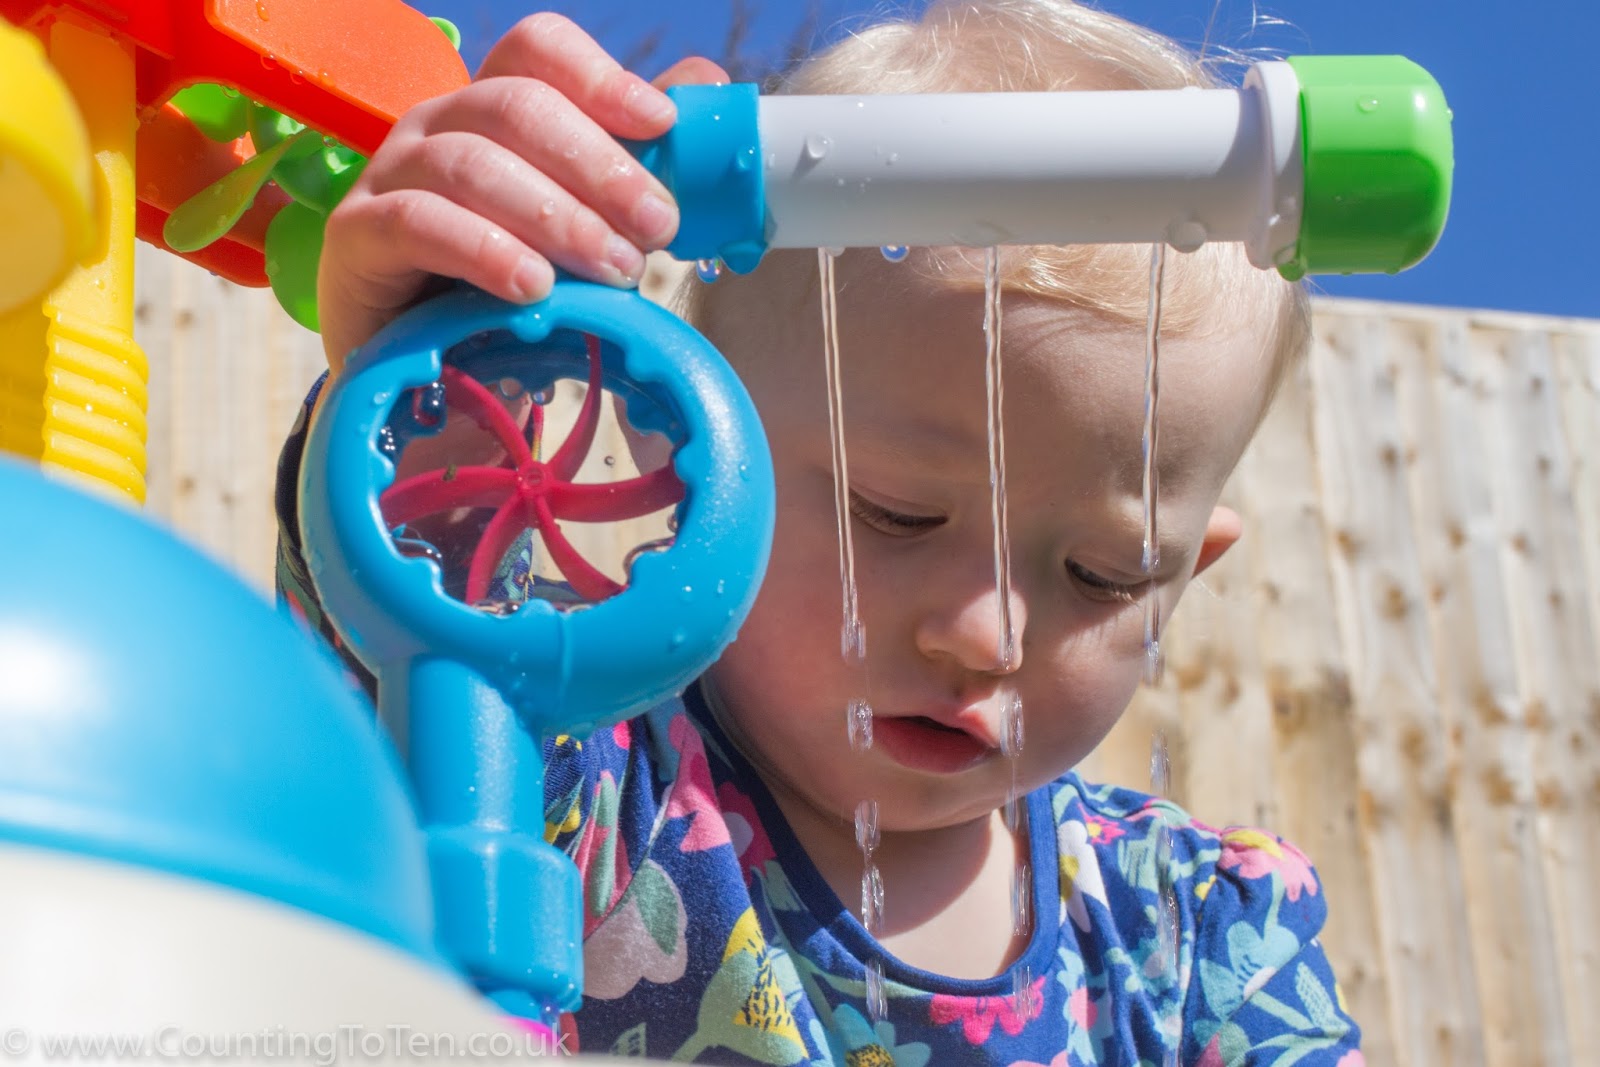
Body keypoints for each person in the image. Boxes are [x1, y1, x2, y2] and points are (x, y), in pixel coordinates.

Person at [275, 2, 1363, 1062]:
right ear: (693, 456)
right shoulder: (583, 780)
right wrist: (438, 388)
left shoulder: (1202, 936)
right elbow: (394, 695)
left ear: (1182, 576)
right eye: (895, 513)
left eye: (1103, 571)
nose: (985, 636)